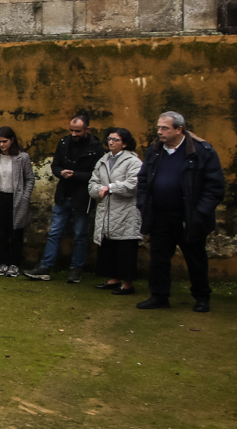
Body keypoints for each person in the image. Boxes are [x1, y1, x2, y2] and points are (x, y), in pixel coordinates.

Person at [134, 111, 225, 312]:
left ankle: (202, 297)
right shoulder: (155, 150)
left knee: (195, 258)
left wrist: (200, 213)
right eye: (158, 127)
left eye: (164, 128)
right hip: (160, 216)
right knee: (158, 258)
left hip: (189, 217)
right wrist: (143, 204)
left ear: (179, 129)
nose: (159, 132)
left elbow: (215, 188)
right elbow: (143, 180)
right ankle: (159, 296)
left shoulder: (202, 151)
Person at [26, 115, 104, 284]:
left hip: (83, 198)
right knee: (54, 232)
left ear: (87, 130)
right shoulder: (63, 143)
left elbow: (97, 175)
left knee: (80, 235)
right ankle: (45, 267)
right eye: (71, 130)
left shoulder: (96, 147)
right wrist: (60, 172)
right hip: (63, 196)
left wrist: (75, 175)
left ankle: (76, 270)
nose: (74, 134)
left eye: (78, 131)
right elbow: (55, 165)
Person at [88, 127, 141, 295]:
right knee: (108, 246)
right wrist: (98, 190)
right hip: (106, 210)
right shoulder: (103, 160)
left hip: (126, 211)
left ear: (124, 143)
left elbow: (134, 184)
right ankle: (113, 278)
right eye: (109, 139)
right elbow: (92, 183)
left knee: (125, 247)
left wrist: (110, 187)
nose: (111, 142)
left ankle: (127, 284)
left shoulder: (133, 162)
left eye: (115, 139)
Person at [0, 126, 34, 278]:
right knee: (1, 232)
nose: (2, 145)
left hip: (16, 198)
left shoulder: (22, 158)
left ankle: (14, 264)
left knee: (16, 232)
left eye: (4, 141)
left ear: (12, 140)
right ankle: (3, 263)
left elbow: (29, 179)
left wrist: (25, 197)